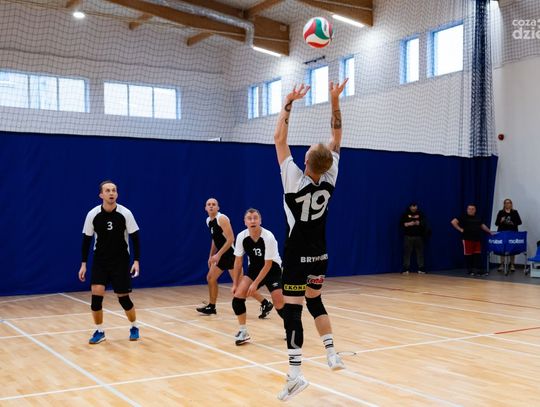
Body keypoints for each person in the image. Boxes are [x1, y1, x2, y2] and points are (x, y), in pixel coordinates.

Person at [274, 80, 348, 401]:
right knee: (315, 300)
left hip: (296, 254)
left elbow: (279, 139)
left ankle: (295, 375)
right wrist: (334, 100)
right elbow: (337, 136)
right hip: (320, 255)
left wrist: (289, 102)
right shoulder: (330, 177)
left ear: (306, 160)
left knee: (293, 311)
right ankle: (331, 354)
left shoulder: (293, 178)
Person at [78, 180, 141, 344]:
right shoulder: (93, 214)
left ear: (117, 194)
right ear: (101, 195)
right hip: (100, 261)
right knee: (96, 298)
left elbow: (135, 238)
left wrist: (136, 261)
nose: (111, 193)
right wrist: (83, 264)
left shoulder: (125, 213)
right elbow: (86, 240)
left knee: (124, 299)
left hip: (120, 261)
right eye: (107, 190)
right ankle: (100, 331)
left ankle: (134, 326)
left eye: (114, 190)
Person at [196, 198, 272, 317]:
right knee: (210, 277)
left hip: (230, 255)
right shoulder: (208, 221)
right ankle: (212, 306)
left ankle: (265, 302)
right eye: (209, 204)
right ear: (205, 208)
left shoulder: (222, 218)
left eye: (214, 204)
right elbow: (215, 239)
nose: (211, 206)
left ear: (218, 207)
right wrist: (211, 255)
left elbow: (231, 238)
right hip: (221, 255)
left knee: (241, 286)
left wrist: (218, 255)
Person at [231, 208, 285, 345]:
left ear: (260, 220)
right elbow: (238, 262)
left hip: (272, 269)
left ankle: (290, 327)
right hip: (254, 269)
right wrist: (235, 283)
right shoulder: (241, 237)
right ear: (245, 222)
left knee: (278, 302)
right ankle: (243, 332)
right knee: (237, 298)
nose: (252, 221)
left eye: (255, 218)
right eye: (249, 218)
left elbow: (268, 264)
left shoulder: (268, 237)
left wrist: (255, 284)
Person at [451, 204, 493, 277]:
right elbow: (453, 222)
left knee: (477, 255)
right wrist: (460, 229)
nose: (471, 210)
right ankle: (470, 270)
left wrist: (490, 231)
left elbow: (482, 226)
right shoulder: (463, 217)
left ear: (475, 210)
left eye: (472, 209)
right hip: (467, 239)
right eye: (469, 209)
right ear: (467, 210)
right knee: (469, 255)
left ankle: (478, 270)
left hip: (477, 239)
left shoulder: (478, 217)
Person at [495, 198, 522, 272]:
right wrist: (501, 220)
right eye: (506, 203)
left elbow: (519, 222)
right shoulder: (501, 212)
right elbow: (496, 223)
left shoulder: (514, 212)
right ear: (504, 204)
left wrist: (513, 223)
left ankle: (512, 264)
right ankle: (502, 264)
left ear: (511, 204)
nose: (507, 204)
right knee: (502, 249)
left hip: (512, 233)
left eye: (509, 203)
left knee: (512, 249)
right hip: (502, 233)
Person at [400, 203, 428, 274]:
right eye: (413, 207)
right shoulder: (405, 214)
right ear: (410, 207)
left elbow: (425, 223)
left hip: (418, 236)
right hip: (408, 236)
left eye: (415, 207)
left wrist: (419, 223)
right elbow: (401, 224)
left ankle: (421, 268)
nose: (414, 208)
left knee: (420, 253)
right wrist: (409, 224)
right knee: (407, 253)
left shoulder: (420, 214)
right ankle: (406, 268)